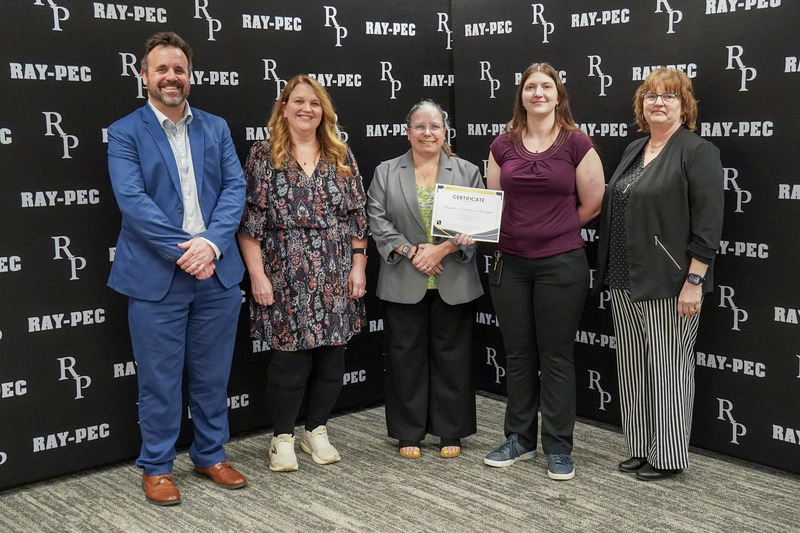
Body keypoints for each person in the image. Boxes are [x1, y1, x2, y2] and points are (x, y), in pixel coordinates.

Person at [107, 32, 247, 506]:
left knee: (212, 376)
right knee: (160, 379)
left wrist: (210, 245)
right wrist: (187, 251)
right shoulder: (126, 132)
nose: (171, 77)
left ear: (191, 76)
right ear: (143, 76)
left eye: (179, 69)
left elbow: (234, 190)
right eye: (161, 69)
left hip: (216, 276)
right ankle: (158, 465)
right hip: (156, 277)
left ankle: (210, 454)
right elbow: (132, 202)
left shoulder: (217, 127)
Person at [596, 68, 724, 481]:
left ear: (685, 106)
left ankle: (667, 455)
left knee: (669, 367)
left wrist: (695, 280)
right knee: (633, 368)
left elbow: (708, 224)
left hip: (670, 282)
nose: (658, 102)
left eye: (669, 96)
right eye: (650, 95)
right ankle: (639, 446)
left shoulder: (696, 150)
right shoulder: (635, 148)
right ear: (641, 105)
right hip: (623, 278)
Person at [237, 75, 367, 472]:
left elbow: (357, 218)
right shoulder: (263, 155)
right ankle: (282, 438)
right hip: (284, 271)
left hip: (335, 270)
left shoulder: (340, 155)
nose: (306, 108)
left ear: (323, 110)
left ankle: (317, 430)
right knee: (289, 363)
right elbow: (249, 224)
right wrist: (258, 276)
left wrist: (358, 266)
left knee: (331, 358)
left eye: (314, 102)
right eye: (298, 101)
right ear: (284, 108)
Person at [483, 63, 605, 480]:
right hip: (510, 264)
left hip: (561, 264)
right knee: (517, 355)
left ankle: (557, 446)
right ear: (521, 95)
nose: (538, 93)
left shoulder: (577, 144)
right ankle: (519, 438)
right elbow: (493, 203)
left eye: (546, 87)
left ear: (558, 96)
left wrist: (553, 230)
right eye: (530, 86)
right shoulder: (502, 145)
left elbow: (591, 204)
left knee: (555, 356)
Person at [367, 100, 484, 459]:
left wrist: (442, 250)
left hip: (454, 277)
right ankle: (408, 432)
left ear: (444, 131)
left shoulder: (466, 172)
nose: (427, 132)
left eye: (434, 126)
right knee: (405, 358)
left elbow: (477, 225)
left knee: (454, 358)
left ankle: (451, 430)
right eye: (419, 126)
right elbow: (377, 219)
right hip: (404, 275)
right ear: (408, 131)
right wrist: (412, 251)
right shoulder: (386, 171)